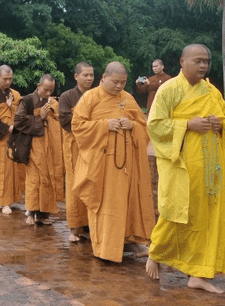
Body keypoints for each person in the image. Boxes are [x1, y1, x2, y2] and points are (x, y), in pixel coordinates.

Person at [145, 44, 225, 294]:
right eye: (198, 61)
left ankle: (198, 273)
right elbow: (154, 126)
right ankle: (156, 252)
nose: (203, 66)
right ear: (182, 62)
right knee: (175, 213)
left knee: (205, 219)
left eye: (206, 61)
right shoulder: (169, 90)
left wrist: (220, 125)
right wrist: (187, 124)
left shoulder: (211, 90)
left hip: (208, 169)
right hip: (180, 166)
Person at [72, 61, 155, 263]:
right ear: (103, 78)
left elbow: (145, 128)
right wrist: (104, 125)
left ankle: (128, 240)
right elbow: (77, 126)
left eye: (123, 83)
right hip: (101, 165)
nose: (119, 86)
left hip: (126, 165)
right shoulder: (90, 98)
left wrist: (131, 126)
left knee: (126, 205)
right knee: (104, 205)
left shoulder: (128, 98)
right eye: (115, 82)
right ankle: (105, 248)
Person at [15, 74, 63, 225]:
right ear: (38, 86)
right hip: (33, 144)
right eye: (45, 90)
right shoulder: (28, 101)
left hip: (50, 148)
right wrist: (39, 118)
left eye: (51, 90)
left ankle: (43, 214)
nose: (48, 94)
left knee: (48, 178)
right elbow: (19, 122)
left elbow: (58, 123)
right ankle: (31, 211)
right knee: (34, 180)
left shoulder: (53, 103)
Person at [59, 62, 95, 242]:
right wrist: (84, 118)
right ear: (76, 77)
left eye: (91, 75)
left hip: (91, 146)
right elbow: (64, 120)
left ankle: (88, 225)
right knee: (74, 184)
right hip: (73, 144)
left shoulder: (96, 95)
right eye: (85, 75)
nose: (89, 78)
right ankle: (74, 228)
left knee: (90, 182)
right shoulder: (67, 96)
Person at [0, 65, 24, 210]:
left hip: (13, 137)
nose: (8, 82)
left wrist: (11, 107)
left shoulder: (15, 94)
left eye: (10, 79)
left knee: (12, 169)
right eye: (5, 79)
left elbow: (21, 113)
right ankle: (3, 202)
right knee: (1, 168)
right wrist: (7, 128)